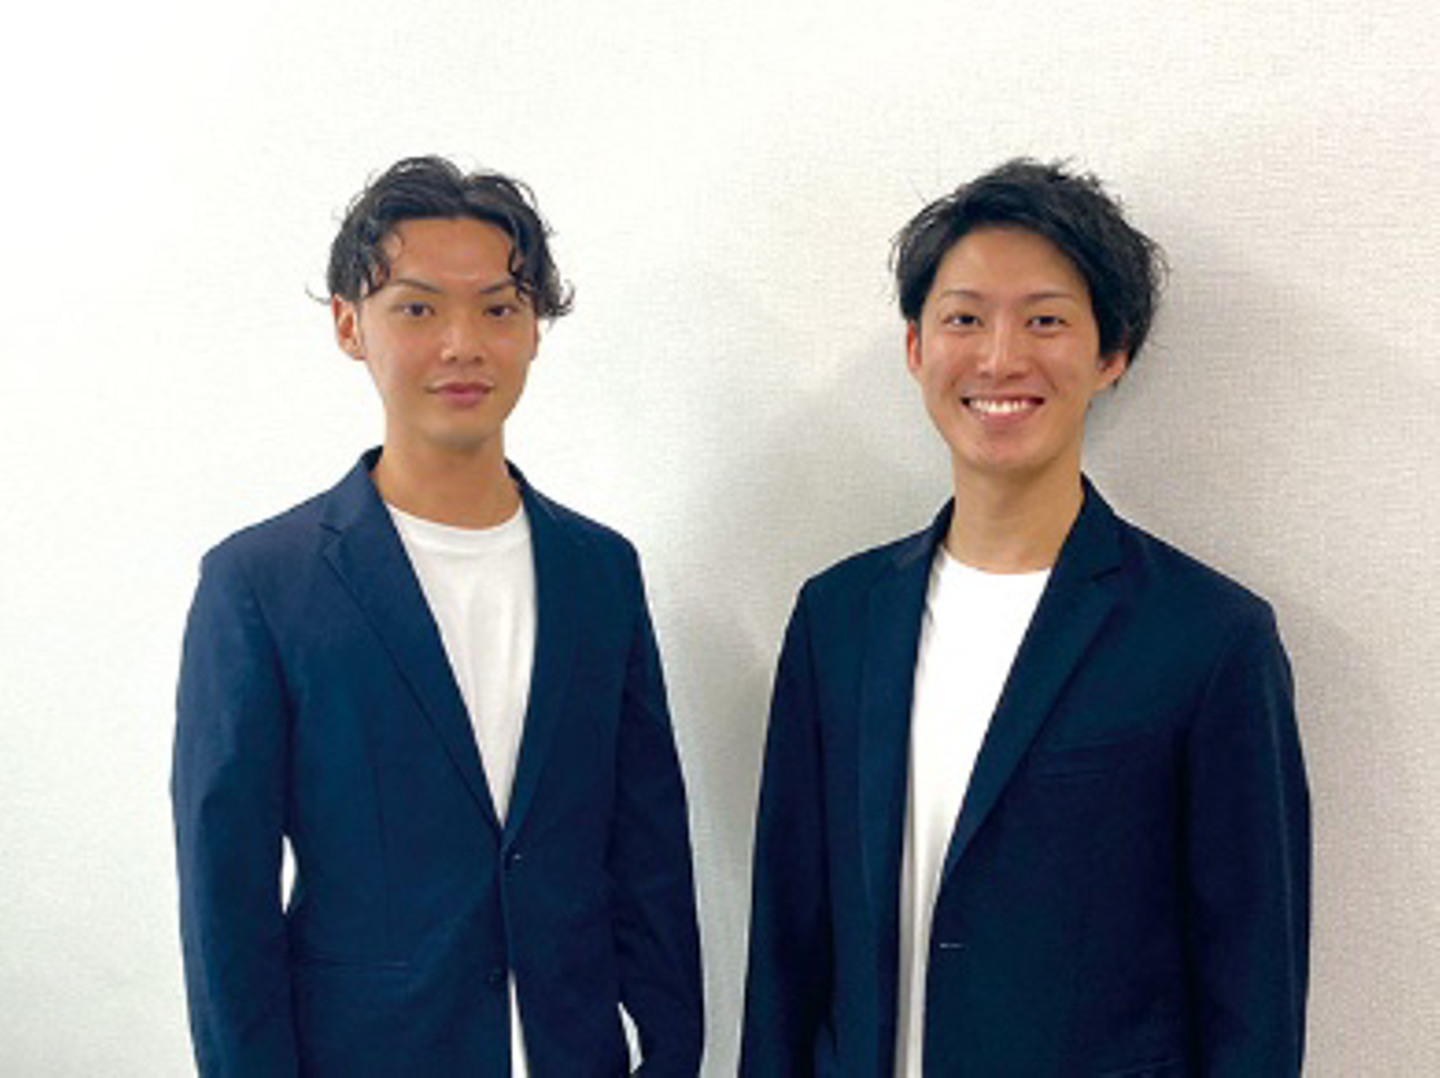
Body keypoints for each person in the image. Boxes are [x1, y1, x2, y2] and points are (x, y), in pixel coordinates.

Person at [740, 159, 1309, 1075]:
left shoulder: (1210, 640)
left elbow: (1252, 991)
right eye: (964, 319)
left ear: (1111, 354)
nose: (1000, 359)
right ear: (916, 348)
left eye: (1045, 320)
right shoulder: (836, 620)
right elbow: (787, 942)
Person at [172, 156, 703, 1076]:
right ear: (350, 325)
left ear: (533, 329)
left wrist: (670, 1049)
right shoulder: (261, 583)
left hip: (574, 1050)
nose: (463, 344)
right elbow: (226, 898)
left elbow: (647, 843)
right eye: (417, 309)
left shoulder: (599, 571)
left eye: (498, 309)